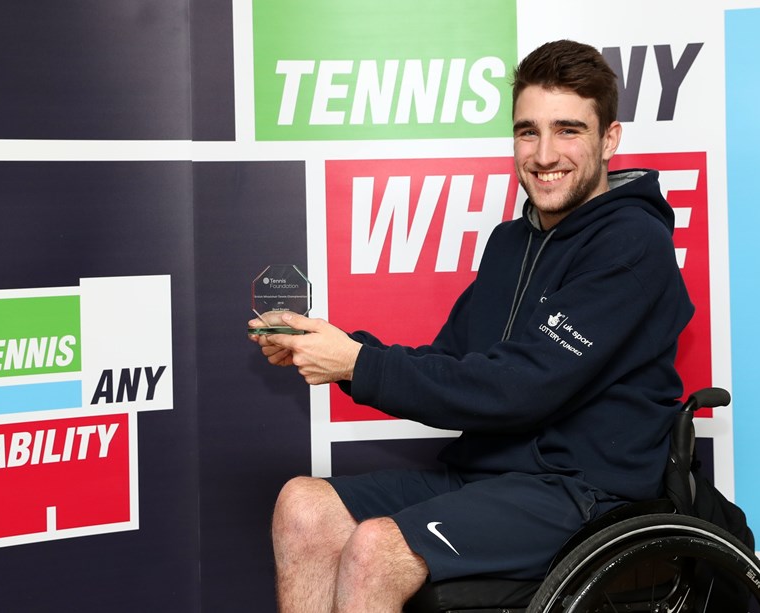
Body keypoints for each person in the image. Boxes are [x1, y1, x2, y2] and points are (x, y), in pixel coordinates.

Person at [250, 39, 694, 613]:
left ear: (609, 138)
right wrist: (337, 349)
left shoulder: (634, 245)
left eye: (568, 130)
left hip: (583, 493)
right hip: (485, 477)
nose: (543, 152)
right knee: (302, 507)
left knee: (376, 549)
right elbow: (452, 365)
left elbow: (520, 388)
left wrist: (355, 362)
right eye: (527, 131)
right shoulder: (510, 242)